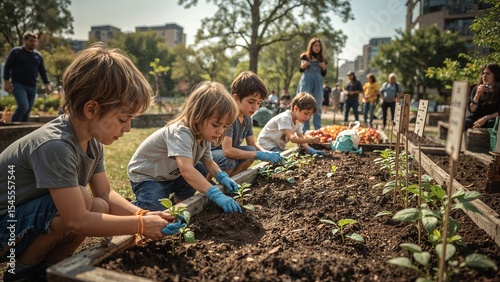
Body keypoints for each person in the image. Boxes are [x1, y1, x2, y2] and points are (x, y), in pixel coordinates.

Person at [0, 43, 182, 281]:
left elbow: (105, 193)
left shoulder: (92, 140)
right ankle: (19, 273)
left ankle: (50, 270)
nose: (128, 128)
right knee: (83, 202)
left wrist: (143, 215)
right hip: (6, 226)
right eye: (123, 119)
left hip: (22, 220)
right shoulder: (55, 145)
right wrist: (139, 226)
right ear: (92, 109)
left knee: (97, 205)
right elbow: (76, 220)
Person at [128, 81, 242, 214]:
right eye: (216, 124)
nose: (220, 131)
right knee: (156, 212)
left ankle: (180, 203)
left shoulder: (204, 135)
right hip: (149, 176)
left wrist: (222, 176)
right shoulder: (181, 132)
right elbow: (187, 170)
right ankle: (125, 208)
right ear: (198, 116)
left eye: (224, 126)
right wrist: (215, 194)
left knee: (201, 170)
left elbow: (209, 162)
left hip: (170, 174)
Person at [211, 71, 283, 178]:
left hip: (230, 152)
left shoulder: (248, 118)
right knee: (228, 161)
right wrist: (258, 155)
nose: (255, 107)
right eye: (251, 102)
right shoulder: (229, 117)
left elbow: (252, 145)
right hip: (214, 152)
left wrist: (266, 153)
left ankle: (233, 180)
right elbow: (227, 150)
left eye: (259, 103)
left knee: (251, 151)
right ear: (236, 98)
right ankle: (224, 185)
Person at [3, 31, 51, 122]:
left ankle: (22, 132)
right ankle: (12, 127)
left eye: (35, 41)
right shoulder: (16, 52)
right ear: (25, 41)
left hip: (32, 86)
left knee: (27, 111)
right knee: (23, 106)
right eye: (31, 41)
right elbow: (7, 66)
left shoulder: (38, 56)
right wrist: (6, 81)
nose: (33, 43)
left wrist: (47, 84)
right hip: (18, 85)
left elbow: (42, 71)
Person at [257, 92, 325, 155]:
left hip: (276, 146)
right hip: (266, 144)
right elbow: (292, 138)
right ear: (296, 108)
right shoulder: (285, 118)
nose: (307, 117)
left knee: (289, 157)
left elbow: (301, 138)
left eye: (310, 115)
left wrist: (310, 150)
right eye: (306, 113)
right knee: (285, 159)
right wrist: (311, 140)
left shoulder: (298, 121)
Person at [296, 37, 327, 131]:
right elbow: (301, 69)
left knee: (317, 105)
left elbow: (324, 74)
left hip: (317, 81)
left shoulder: (322, 59)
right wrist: (305, 65)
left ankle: (318, 130)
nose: (317, 47)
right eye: (315, 45)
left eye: (319, 46)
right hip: (307, 80)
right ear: (311, 46)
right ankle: (304, 131)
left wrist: (323, 67)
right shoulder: (305, 56)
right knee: (305, 104)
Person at [464, 63, 500, 131]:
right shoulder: (476, 89)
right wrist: (477, 94)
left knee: (492, 124)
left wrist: (485, 118)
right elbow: (471, 109)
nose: (484, 76)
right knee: (464, 123)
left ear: (495, 75)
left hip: (490, 118)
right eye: (483, 73)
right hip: (475, 118)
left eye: (488, 74)